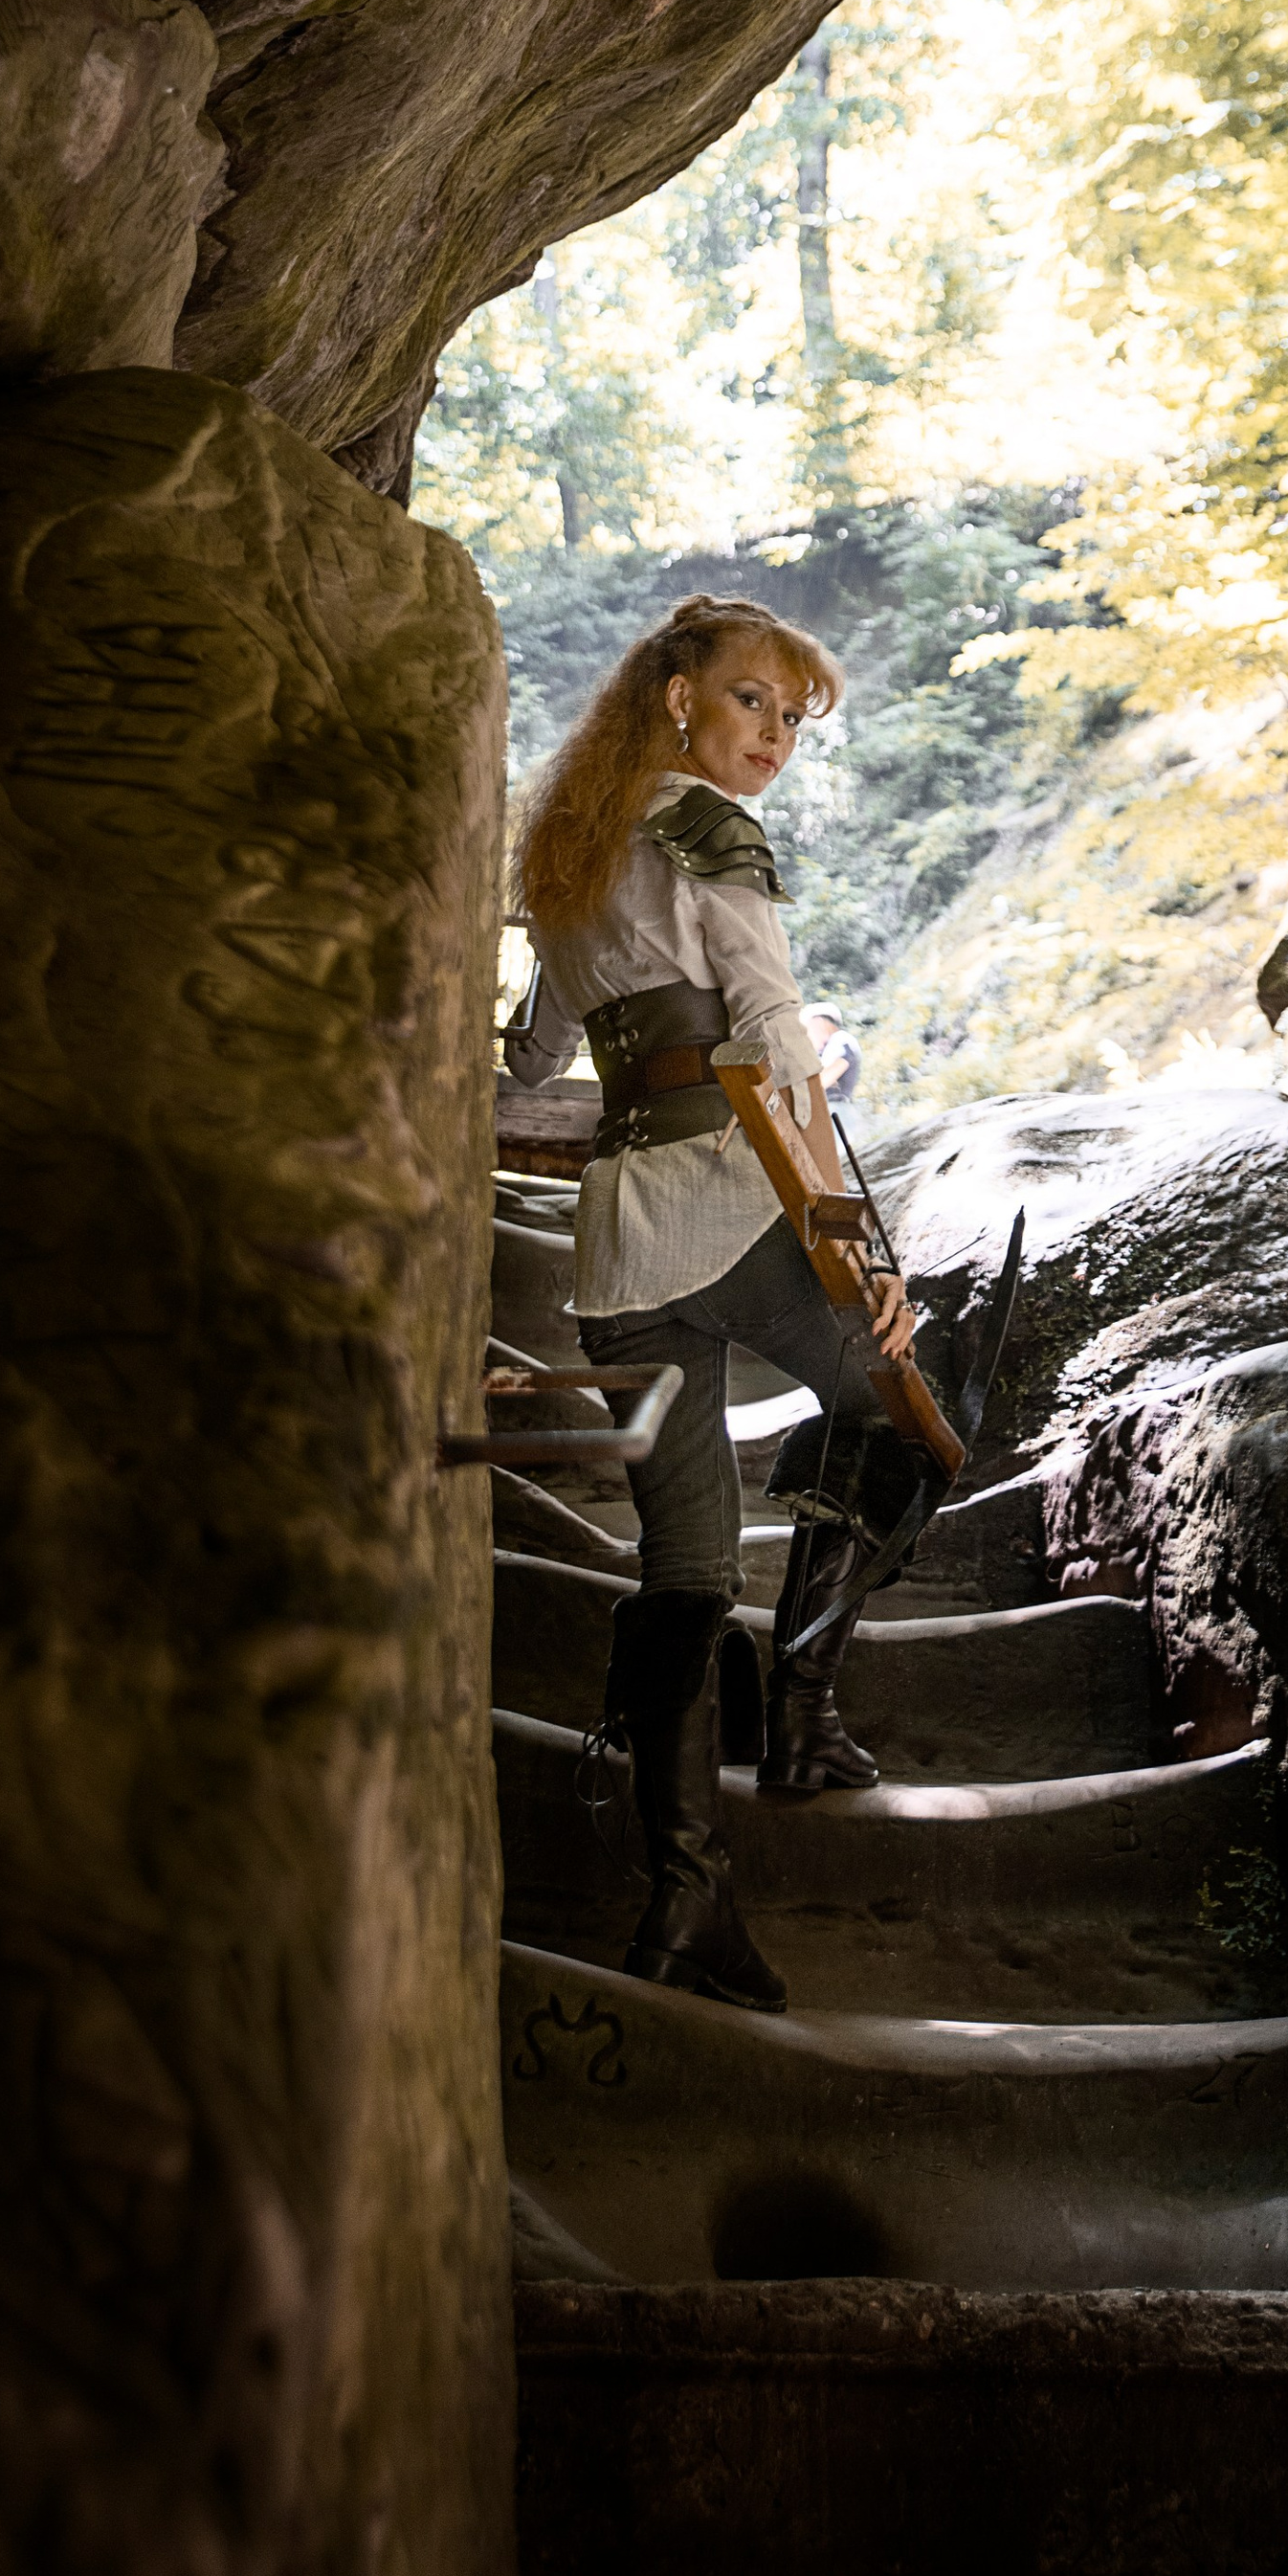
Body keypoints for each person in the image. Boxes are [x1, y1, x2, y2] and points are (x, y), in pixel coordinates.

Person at [503, 594, 916, 2015]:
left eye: (796, 720)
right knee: (910, 1413)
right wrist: (860, 1249)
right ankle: (800, 1710)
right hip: (732, 1212)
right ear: (679, 694)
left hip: (619, 1252)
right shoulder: (707, 832)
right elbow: (772, 1043)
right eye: (756, 701)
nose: (778, 740)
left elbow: (536, 1053)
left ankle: (686, 1907)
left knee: (683, 1569)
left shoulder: (560, 840)